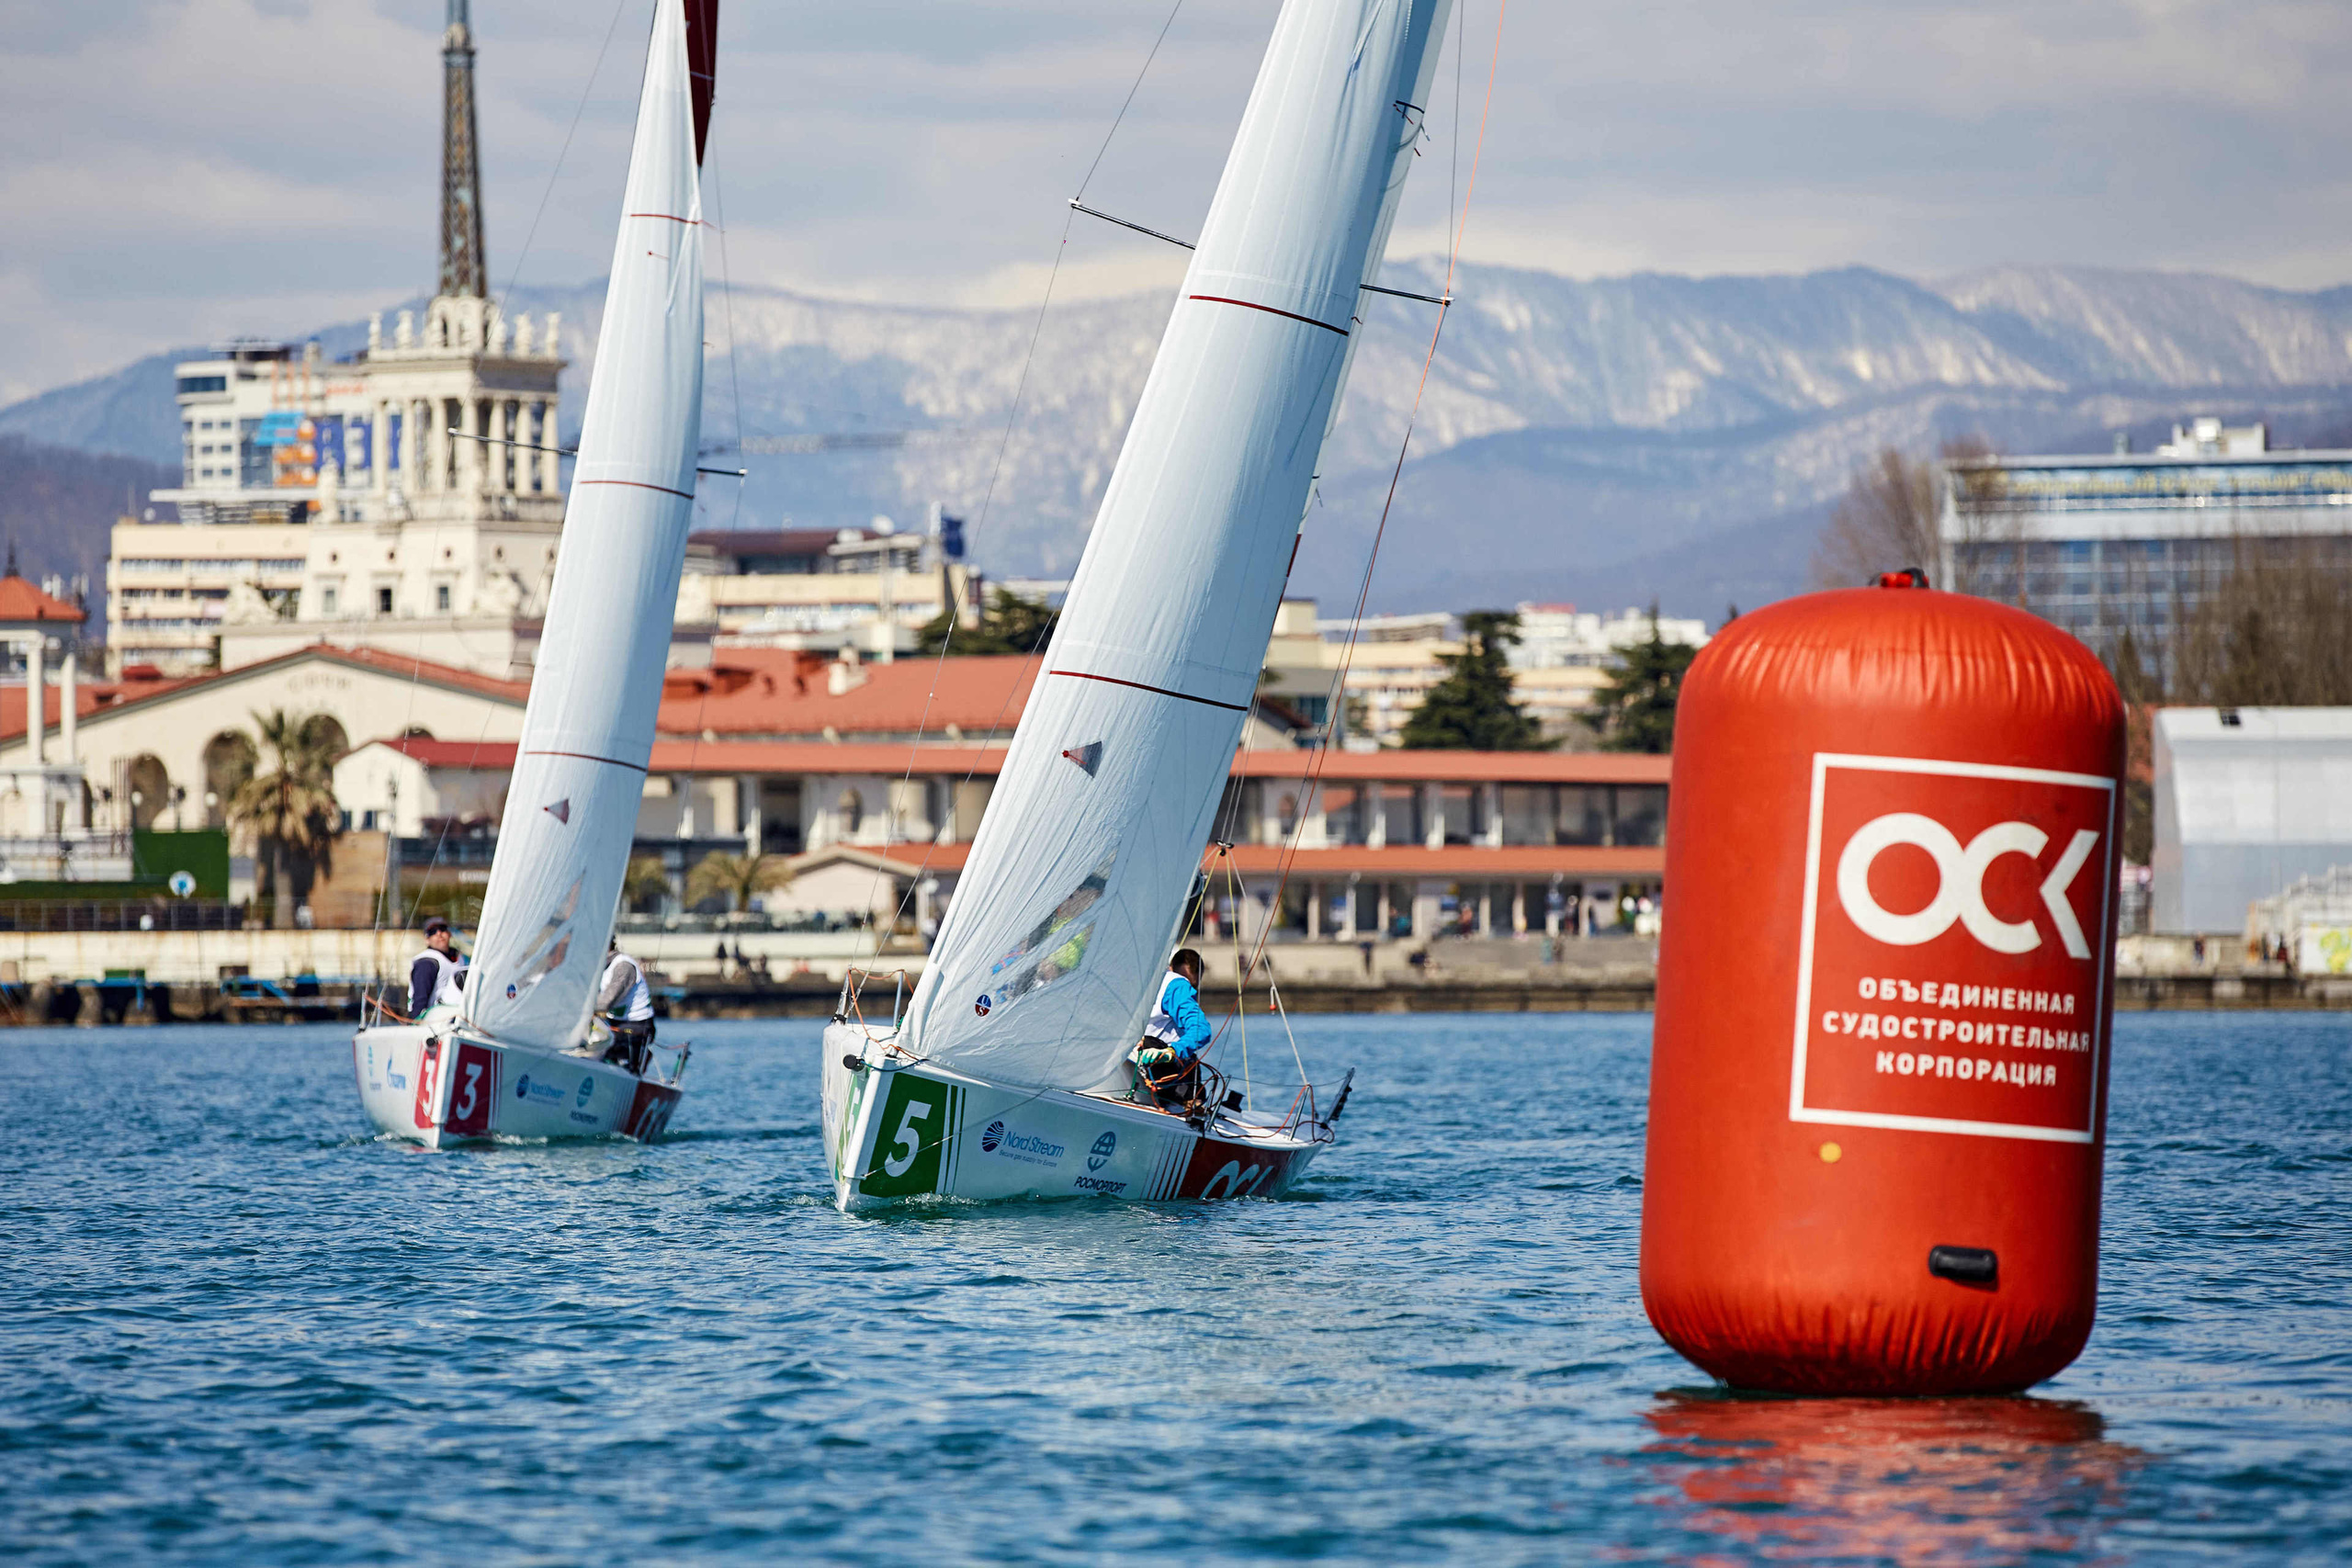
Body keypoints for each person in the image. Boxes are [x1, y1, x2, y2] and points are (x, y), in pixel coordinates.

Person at [1131, 948, 1211, 1111]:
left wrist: (1172, 1051)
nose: (1188, 988)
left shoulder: (1176, 986)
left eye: (1193, 985)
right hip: (1126, 1060)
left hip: (1167, 1072)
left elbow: (1202, 1030)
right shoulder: (1133, 978)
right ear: (1170, 967)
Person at [598, 937, 656, 1074]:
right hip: (614, 1023)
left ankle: (637, 1061)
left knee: (603, 1049)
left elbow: (607, 1001)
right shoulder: (600, 965)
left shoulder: (623, 966)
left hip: (637, 1026)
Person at [408, 916, 465, 1017]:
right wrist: (415, 1022)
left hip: (458, 1016)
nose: (439, 934)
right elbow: (420, 999)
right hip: (433, 1020)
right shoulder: (427, 963)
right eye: (433, 932)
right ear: (427, 940)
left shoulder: (461, 958)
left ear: (449, 934)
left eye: (442, 929)